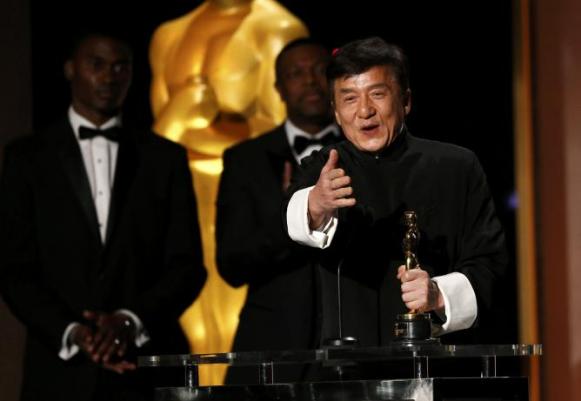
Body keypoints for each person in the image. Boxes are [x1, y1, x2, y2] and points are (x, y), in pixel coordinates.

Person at [0, 31, 207, 401]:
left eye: (120, 66)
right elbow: (15, 268)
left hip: (145, 369)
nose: (110, 76)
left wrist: (130, 320)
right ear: (70, 69)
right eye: (97, 64)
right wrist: (74, 332)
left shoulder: (165, 158)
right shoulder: (27, 157)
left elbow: (187, 265)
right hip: (58, 373)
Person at [284, 37, 507, 354]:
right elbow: (287, 228)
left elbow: (490, 263)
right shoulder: (323, 168)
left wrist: (438, 295)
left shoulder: (457, 167)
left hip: (438, 364)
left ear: (405, 101)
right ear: (335, 112)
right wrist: (317, 204)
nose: (365, 111)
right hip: (348, 367)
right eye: (349, 99)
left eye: (377, 94)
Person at [149, 0, 308, 384]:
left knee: (234, 323)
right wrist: (178, 117)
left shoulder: (276, 26)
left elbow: (283, 132)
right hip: (185, 197)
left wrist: (189, 126)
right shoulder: (170, 34)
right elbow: (158, 142)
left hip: (246, 204)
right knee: (192, 325)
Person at [216, 38, 340, 384]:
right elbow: (231, 264)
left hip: (353, 345)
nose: (311, 81)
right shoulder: (245, 160)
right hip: (271, 346)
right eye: (296, 73)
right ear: (278, 88)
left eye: (320, 71)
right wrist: (294, 215)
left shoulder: (363, 151)